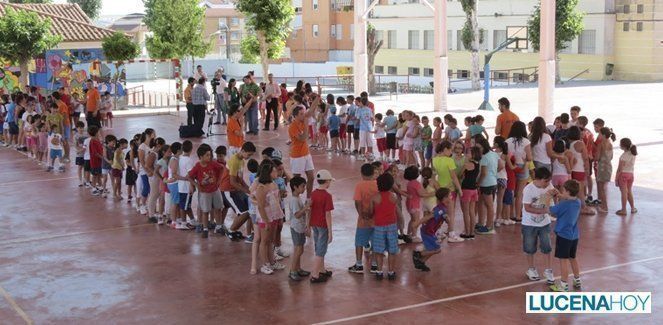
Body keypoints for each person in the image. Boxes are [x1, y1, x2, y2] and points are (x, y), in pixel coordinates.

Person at [522, 167, 557, 284]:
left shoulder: (549, 186)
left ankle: (548, 270)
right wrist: (545, 210)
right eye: (546, 181)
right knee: (530, 247)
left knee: (547, 247)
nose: (548, 183)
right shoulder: (528, 189)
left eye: (549, 181)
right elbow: (527, 208)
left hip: (544, 223)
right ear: (538, 179)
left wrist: (552, 196)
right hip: (529, 223)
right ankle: (531, 269)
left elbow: (550, 203)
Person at [548, 180, 582, 292]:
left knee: (563, 260)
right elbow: (567, 198)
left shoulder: (563, 204)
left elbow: (552, 211)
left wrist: (550, 197)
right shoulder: (577, 202)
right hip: (574, 235)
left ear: (567, 191)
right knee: (573, 257)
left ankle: (563, 284)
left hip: (563, 235)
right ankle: (577, 280)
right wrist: (560, 195)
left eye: (563, 190)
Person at [368, 173, 400, 280]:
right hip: (392, 225)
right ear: (391, 185)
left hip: (379, 226)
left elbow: (370, 212)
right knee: (392, 249)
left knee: (378, 249)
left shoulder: (374, 198)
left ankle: (379, 271)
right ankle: (391, 271)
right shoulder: (394, 196)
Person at [222, 141, 257, 239]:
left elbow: (240, 179)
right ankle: (231, 231)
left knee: (250, 209)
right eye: (248, 154)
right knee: (244, 212)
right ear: (243, 151)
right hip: (228, 190)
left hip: (235, 190)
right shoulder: (234, 161)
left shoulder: (241, 161)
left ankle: (235, 230)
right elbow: (233, 182)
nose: (249, 157)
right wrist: (246, 191)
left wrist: (249, 190)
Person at [348, 164, 378, 274]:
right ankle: (374, 264)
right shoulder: (377, 185)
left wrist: (361, 215)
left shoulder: (359, 186)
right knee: (375, 242)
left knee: (359, 242)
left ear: (361, 174)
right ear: (373, 173)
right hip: (376, 219)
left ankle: (359, 264)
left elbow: (357, 201)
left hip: (363, 220)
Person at [412, 188, 452, 272]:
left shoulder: (443, 208)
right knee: (437, 249)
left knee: (432, 249)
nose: (451, 197)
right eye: (450, 195)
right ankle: (418, 254)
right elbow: (428, 217)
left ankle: (421, 262)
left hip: (431, 231)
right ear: (444, 198)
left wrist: (447, 219)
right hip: (427, 232)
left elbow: (446, 220)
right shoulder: (439, 209)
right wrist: (417, 223)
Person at [431, 140, 463, 241]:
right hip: (450, 190)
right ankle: (451, 234)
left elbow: (433, 177)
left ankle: (437, 232)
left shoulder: (434, 160)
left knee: (439, 212)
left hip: (439, 190)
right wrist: (460, 189)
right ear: (445, 149)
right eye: (450, 150)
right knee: (451, 213)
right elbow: (454, 177)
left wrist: (438, 188)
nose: (451, 153)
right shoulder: (449, 161)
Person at [309, 169, 335, 283]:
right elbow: (327, 214)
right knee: (321, 249)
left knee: (318, 245)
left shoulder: (313, 194)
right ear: (327, 181)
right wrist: (330, 231)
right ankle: (315, 274)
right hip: (323, 224)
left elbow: (310, 209)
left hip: (314, 223)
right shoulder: (327, 196)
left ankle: (321, 269)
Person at [288, 105, 316, 197]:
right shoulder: (292, 127)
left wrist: (318, 96)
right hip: (297, 156)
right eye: (301, 114)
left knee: (311, 178)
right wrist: (307, 126)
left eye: (303, 113)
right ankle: (295, 198)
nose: (303, 116)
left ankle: (308, 198)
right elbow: (303, 138)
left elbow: (311, 110)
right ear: (295, 116)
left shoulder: (303, 121)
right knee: (297, 179)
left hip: (306, 154)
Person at [475, 135, 501, 234]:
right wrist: (493, 173)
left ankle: (489, 226)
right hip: (492, 181)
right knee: (481, 203)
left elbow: (483, 173)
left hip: (486, 184)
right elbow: (501, 165)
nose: (478, 150)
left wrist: (478, 183)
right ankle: (481, 223)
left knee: (489, 205)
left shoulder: (484, 158)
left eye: (479, 148)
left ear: (484, 147)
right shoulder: (494, 154)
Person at [288, 176, 311, 281]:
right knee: (298, 249)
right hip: (296, 227)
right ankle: (293, 270)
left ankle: (298, 268)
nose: (304, 188)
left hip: (299, 227)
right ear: (295, 187)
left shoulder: (297, 198)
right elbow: (297, 215)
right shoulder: (294, 200)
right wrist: (306, 207)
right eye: (302, 186)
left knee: (300, 249)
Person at [460, 146, 481, 239]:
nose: (465, 154)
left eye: (468, 153)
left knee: (465, 212)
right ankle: (472, 232)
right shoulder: (477, 164)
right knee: (472, 212)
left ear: (473, 154)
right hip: (474, 190)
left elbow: (460, 175)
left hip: (466, 189)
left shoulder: (467, 165)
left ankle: (467, 232)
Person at [615, 138, 637, 216]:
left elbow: (620, 168)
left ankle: (624, 210)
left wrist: (616, 178)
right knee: (629, 191)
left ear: (623, 146)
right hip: (631, 174)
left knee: (624, 192)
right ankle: (633, 208)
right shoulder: (632, 153)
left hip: (623, 175)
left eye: (620, 144)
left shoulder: (624, 156)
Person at [595, 127, 615, 213]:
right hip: (608, 166)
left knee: (601, 188)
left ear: (603, 134)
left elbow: (597, 157)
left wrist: (593, 157)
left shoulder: (601, 144)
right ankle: (603, 205)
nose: (598, 135)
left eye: (599, 133)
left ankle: (605, 206)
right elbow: (611, 157)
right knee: (603, 187)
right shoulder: (610, 143)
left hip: (602, 167)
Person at [356, 97, 374, 161]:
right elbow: (372, 118)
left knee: (362, 142)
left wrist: (356, 124)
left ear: (361, 103)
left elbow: (357, 119)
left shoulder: (359, 110)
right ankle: (370, 155)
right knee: (369, 141)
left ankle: (362, 155)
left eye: (359, 102)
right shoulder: (369, 109)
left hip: (362, 128)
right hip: (369, 128)